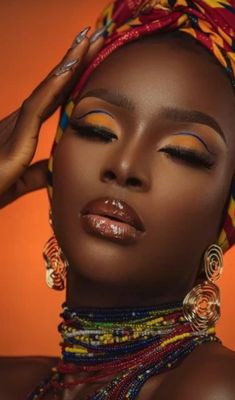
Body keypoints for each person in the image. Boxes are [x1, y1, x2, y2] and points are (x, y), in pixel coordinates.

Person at [0, 0, 235, 399]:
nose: (124, 165)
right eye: (96, 129)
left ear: (226, 212)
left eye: (182, 152)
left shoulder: (214, 389)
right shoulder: (16, 382)